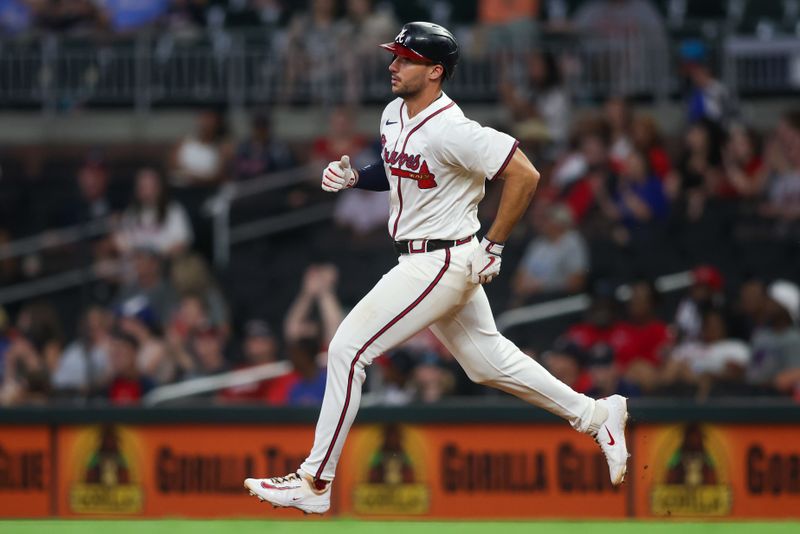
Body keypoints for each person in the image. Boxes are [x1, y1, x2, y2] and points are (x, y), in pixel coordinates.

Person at [244, 21, 629, 514]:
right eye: (395, 56)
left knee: (346, 350)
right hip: (429, 254)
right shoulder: (392, 112)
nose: (393, 65)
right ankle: (598, 415)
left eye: (405, 59)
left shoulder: (453, 129)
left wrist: (496, 244)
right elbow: (396, 165)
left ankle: (315, 481)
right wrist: (353, 178)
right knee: (488, 363)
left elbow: (525, 174)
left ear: (435, 71)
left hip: (443, 258)